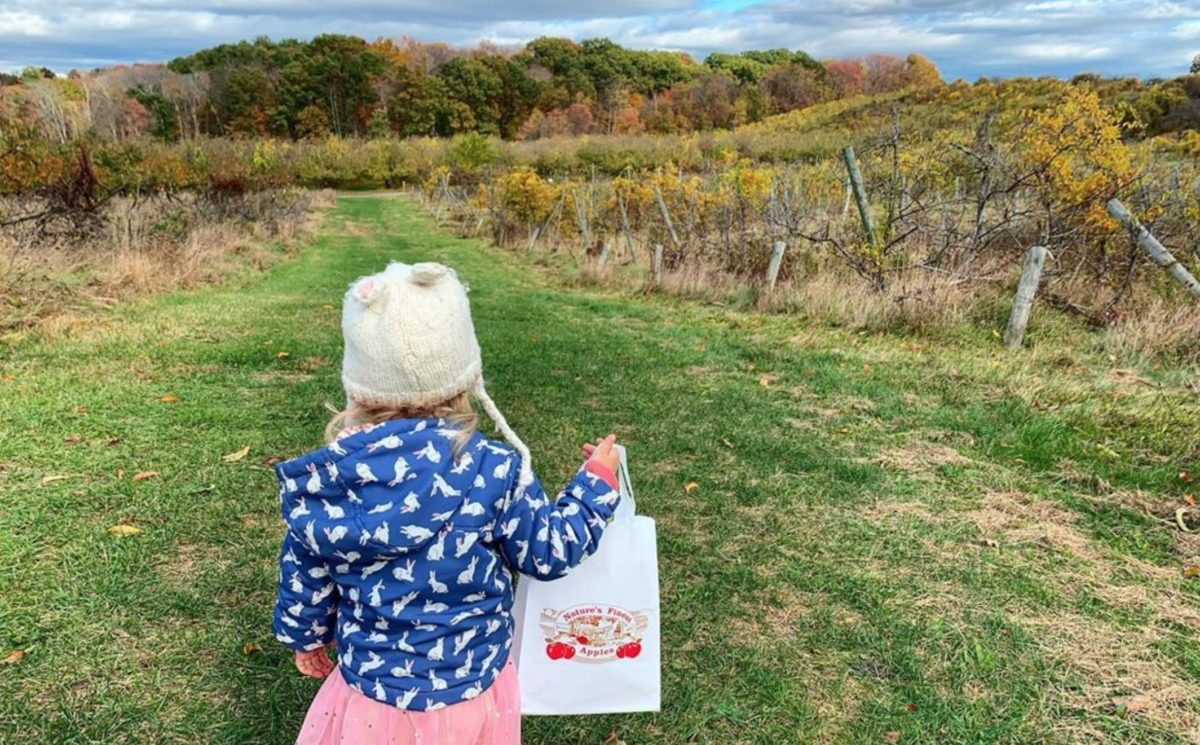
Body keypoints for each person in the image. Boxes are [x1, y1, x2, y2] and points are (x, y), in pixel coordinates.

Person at [272, 261, 622, 745]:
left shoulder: (329, 482)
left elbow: (304, 575)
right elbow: (549, 551)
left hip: (373, 695)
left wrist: (305, 639)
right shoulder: (494, 469)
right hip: (472, 689)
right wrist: (595, 486)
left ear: (357, 385)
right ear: (465, 377)